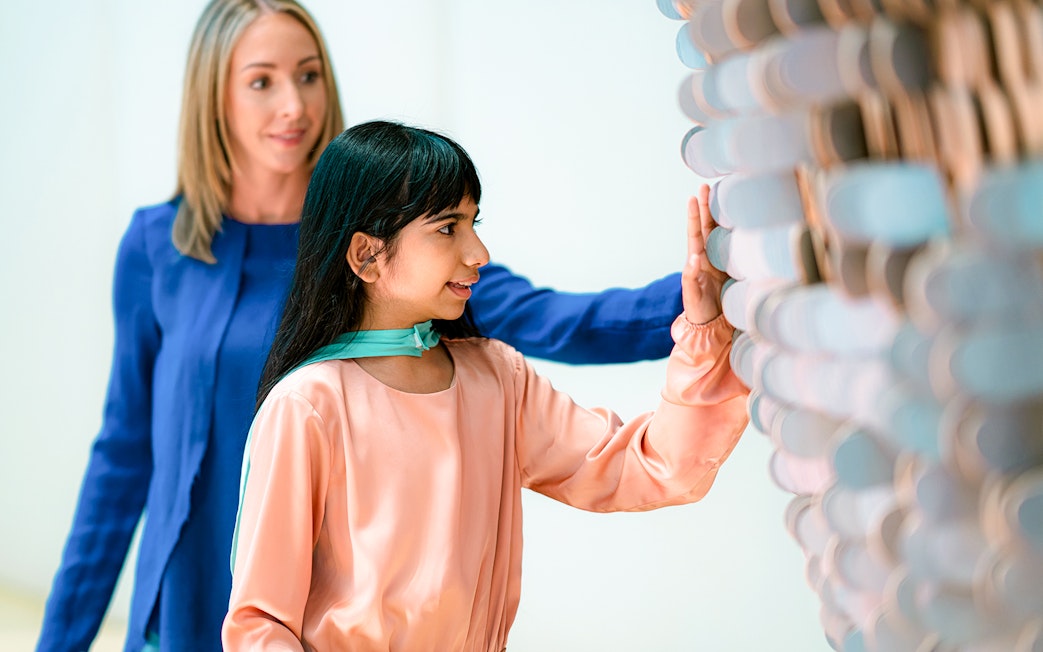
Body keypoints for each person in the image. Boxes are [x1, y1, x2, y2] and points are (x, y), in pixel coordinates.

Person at [35, 1, 689, 651]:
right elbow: (122, 456)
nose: (293, 105)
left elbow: (558, 320)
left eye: (309, 75)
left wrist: (709, 286)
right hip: (185, 604)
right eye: (261, 81)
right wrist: (60, 640)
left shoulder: (379, 247)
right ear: (214, 99)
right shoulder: (156, 246)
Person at [221, 120, 748, 651]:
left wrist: (704, 330)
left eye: (474, 222)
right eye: (448, 227)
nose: (479, 252)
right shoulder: (308, 406)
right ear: (367, 255)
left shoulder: (497, 380)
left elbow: (652, 467)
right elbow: (261, 626)